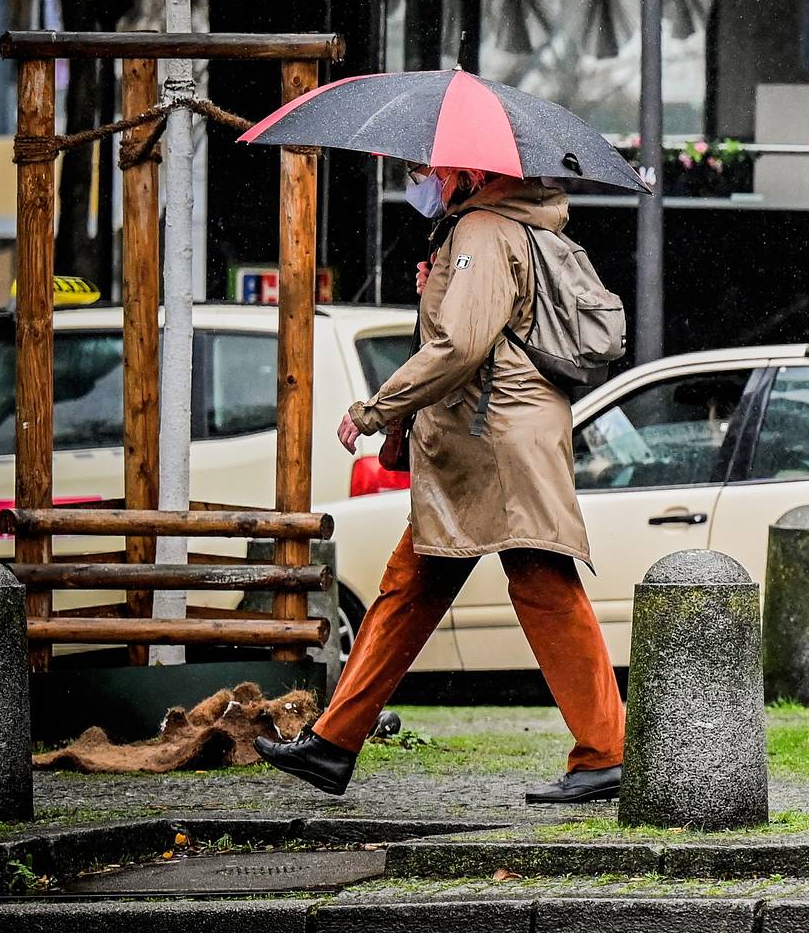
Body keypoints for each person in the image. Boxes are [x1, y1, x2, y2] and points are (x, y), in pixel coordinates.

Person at [256, 165, 623, 803]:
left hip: (496, 444)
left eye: (428, 170)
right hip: (488, 441)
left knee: (541, 586)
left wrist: (376, 410)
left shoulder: (483, 227)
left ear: (469, 173)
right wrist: (440, 281)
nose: (418, 180)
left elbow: (460, 346)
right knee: (412, 587)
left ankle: (605, 753)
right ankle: (334, 741)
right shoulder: (492, 227)